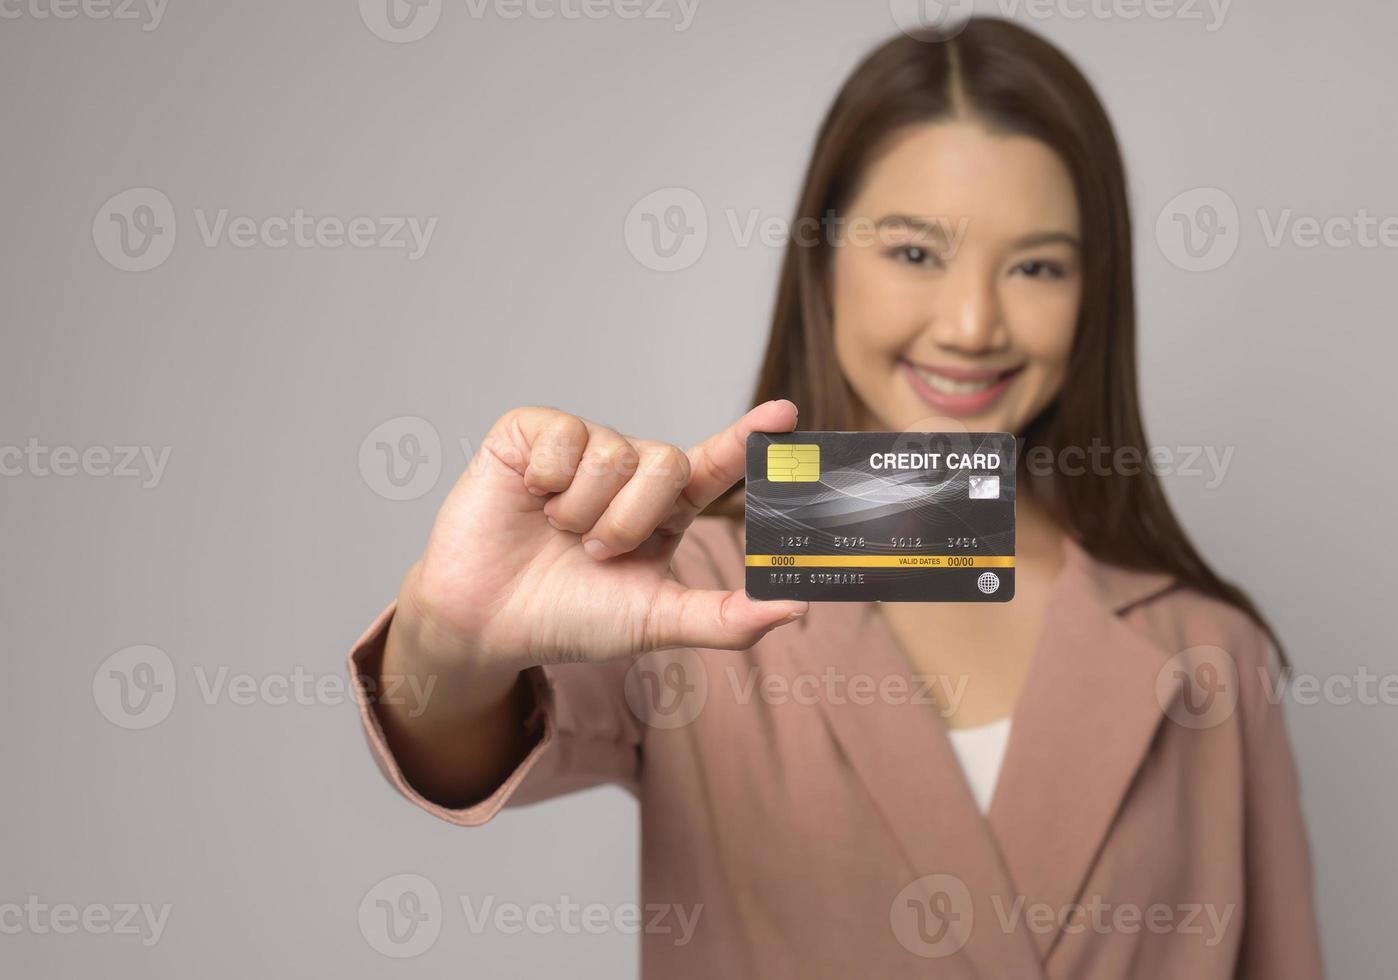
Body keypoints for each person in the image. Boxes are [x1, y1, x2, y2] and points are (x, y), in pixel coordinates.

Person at [346, 17, 1325, 979]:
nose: (974, 321)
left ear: (1094, 290)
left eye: (1036, 265)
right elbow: (459, 738)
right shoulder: (691, 585)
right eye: (914, 252)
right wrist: (451, 632)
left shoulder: (1208, 654)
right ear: (822, 263)